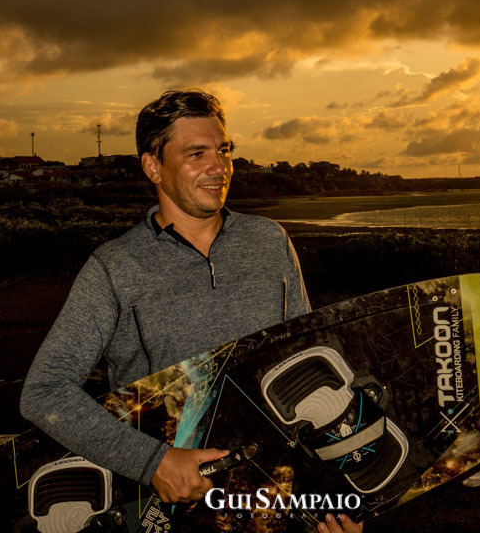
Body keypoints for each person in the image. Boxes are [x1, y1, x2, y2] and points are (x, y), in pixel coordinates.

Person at [20, 89, 360, 533]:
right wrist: (153, 462)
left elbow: (306, 362)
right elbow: (44, 391)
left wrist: (334, 506)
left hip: (274, 502)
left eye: (224, 150)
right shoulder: (115, 267)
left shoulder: (270, 242)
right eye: (196, 153)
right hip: (174, 513)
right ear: (153, 167)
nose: (219, 167)